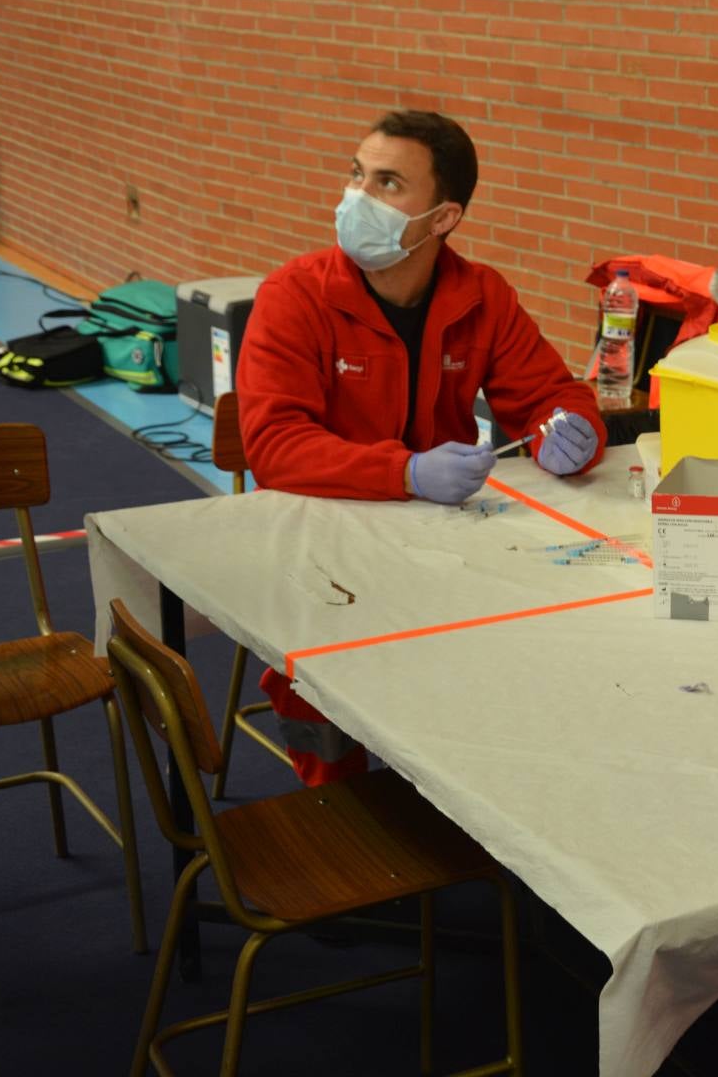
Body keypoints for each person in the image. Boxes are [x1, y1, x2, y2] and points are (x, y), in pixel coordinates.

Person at [234, 108, 604, 785]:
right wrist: (403, 471)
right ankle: (336, 809)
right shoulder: (295, 296)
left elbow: (556, 394)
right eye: (357, 174)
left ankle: (469, 792)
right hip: (321, 527)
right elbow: (275, 447)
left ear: (443, 219)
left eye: (387, 184)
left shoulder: (482, 297)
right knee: (320, 672)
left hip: (443, 533)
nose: (357, 197)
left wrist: (573, 433)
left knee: (524, 643)